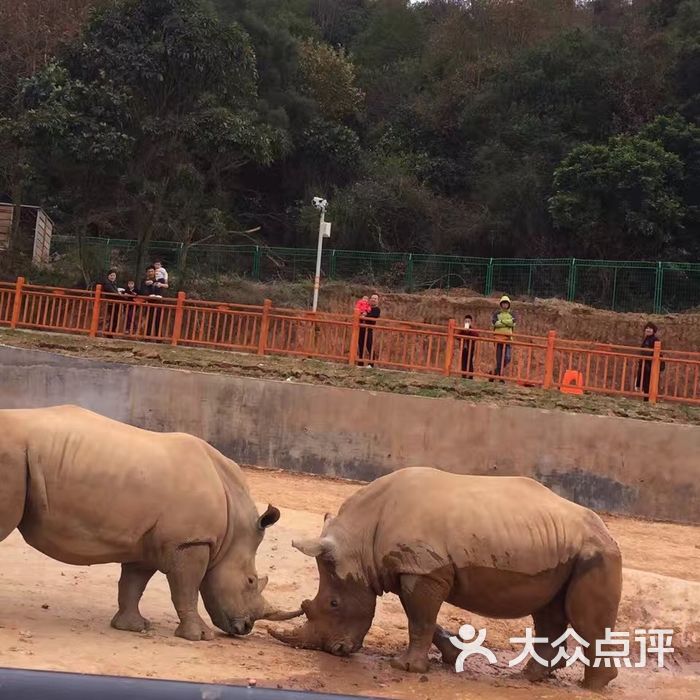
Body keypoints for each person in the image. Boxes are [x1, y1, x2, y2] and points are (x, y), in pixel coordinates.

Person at [635, 322, 662, 401]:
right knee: (645, 383)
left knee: (648, 383)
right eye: (647, 328)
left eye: (650, 328)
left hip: (650, 365)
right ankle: (647, 398)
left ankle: (649, 399)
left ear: (654, 330)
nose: (648, 330)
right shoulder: (646, 339)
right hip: (645, 364)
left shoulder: (654, 340)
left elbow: (653, 352)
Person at [491, 295, 515, 380]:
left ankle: (494, 373)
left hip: (508, 339)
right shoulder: (496, 314)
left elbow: (513, 323)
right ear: (501, 304)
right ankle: (500, 377)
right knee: (499, 359)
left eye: (506, 303)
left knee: (507, 358)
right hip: (498, 339)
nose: (505, 305)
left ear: (509, 304)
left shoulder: (512, 314)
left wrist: (501, 322)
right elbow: (494, 323)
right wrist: (506, 323)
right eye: (503, 303)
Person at [138, 266, 167, 337]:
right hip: (149, 301)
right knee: (149, 319)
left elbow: (164, 287)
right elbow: (142, 291)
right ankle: (147, 335)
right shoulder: (144, 281)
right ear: (146, 273)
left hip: (158, 301)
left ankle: (158, 336)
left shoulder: (160, 279)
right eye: (149, 272)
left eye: (152, 271)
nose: (150, 273)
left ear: (154, 272)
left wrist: (157, 283)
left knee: (158, 319)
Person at [358, 293, 380, 367]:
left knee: (369, 346)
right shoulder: (366, 307)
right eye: (372, 298)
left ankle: (371, 364)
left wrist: (364, 315)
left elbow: (372, 316)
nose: (373, 299)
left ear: (377, 301)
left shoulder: (377, 309)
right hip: (361, 329)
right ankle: (360, 363)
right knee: (360, 346)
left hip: (369, 329)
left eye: (375, 298)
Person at [458, 314, 479, 378]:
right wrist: (462, 330)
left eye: (468, 321)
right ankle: (463, 375)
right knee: (463, 361)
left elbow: (476, 336)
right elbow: (457, 336)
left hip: (470, 348)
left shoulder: (473, 330)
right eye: (466, 321)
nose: (467, 322)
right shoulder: (462, 330)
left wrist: (469, 331)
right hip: (463, 348)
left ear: (471, 322)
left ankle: (470, 376)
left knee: (470, 362)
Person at [103, 269, 121, 334]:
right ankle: (110, 332)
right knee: (113, 317)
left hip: (115, 303)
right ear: (108, 276)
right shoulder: (107, 283)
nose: (112, 277)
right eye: (111, 275)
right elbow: (113, 293)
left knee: (114, 318)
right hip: (111, 303)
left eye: (114, 275)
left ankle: (111, 331)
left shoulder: (113, 283)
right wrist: (119, 294)